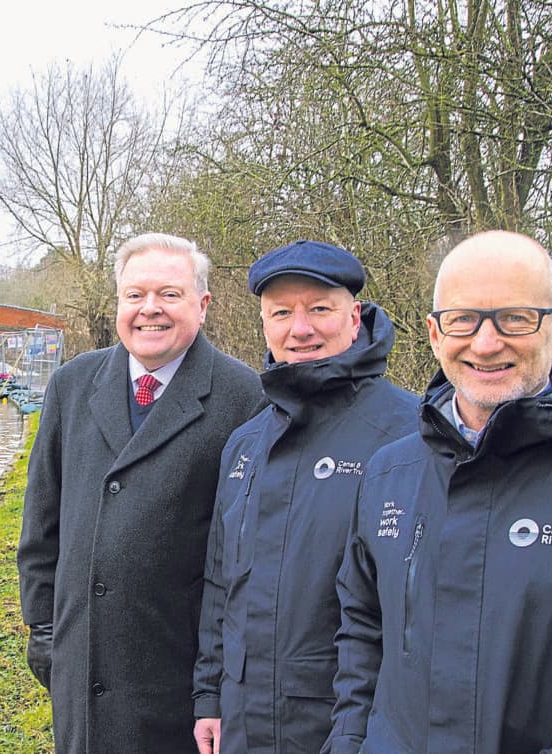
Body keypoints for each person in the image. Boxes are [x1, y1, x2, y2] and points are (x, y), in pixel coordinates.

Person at [325, 230, 552, 754]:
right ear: (435, 335)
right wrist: (350, 741)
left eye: (515, 318)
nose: (485, 343)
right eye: (463, 319)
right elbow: (364, 629)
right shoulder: (389, 474)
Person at [17, 232, 263, 754]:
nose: (149, 309)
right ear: (118, 303)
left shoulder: (245, 398)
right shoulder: (72, 384)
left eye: (169, 295)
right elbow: (41, 522)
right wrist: (42, 623)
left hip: (176, 674)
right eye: (135, 295)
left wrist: (216, 682)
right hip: (81, 664)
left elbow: (245, 559)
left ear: (202, 304)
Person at [191, 240, 417, 754]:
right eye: (282, 313)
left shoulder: (410, 435)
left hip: (352, 728)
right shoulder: (247, 443)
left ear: (354, 316)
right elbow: (220, 581)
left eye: (319, 309)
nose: (301, 329)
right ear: (264, 324)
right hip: (245, 721)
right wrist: (210, 696)